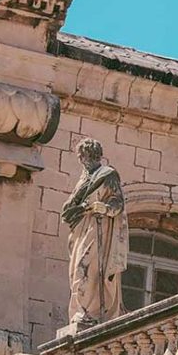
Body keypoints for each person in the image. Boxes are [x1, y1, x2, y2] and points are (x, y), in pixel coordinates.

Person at [61, 138, 128, 326]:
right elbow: (69, 207)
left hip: (98, 227)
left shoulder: (108, 175)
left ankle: (90, 312)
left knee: (87, 267)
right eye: (80, 156)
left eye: (82, 155)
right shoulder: (83, 179)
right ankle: (80, 311)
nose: (81, 159)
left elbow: (118, 203)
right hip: (81, 227)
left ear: (91, 155)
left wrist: (104, 208)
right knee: (76, 271)